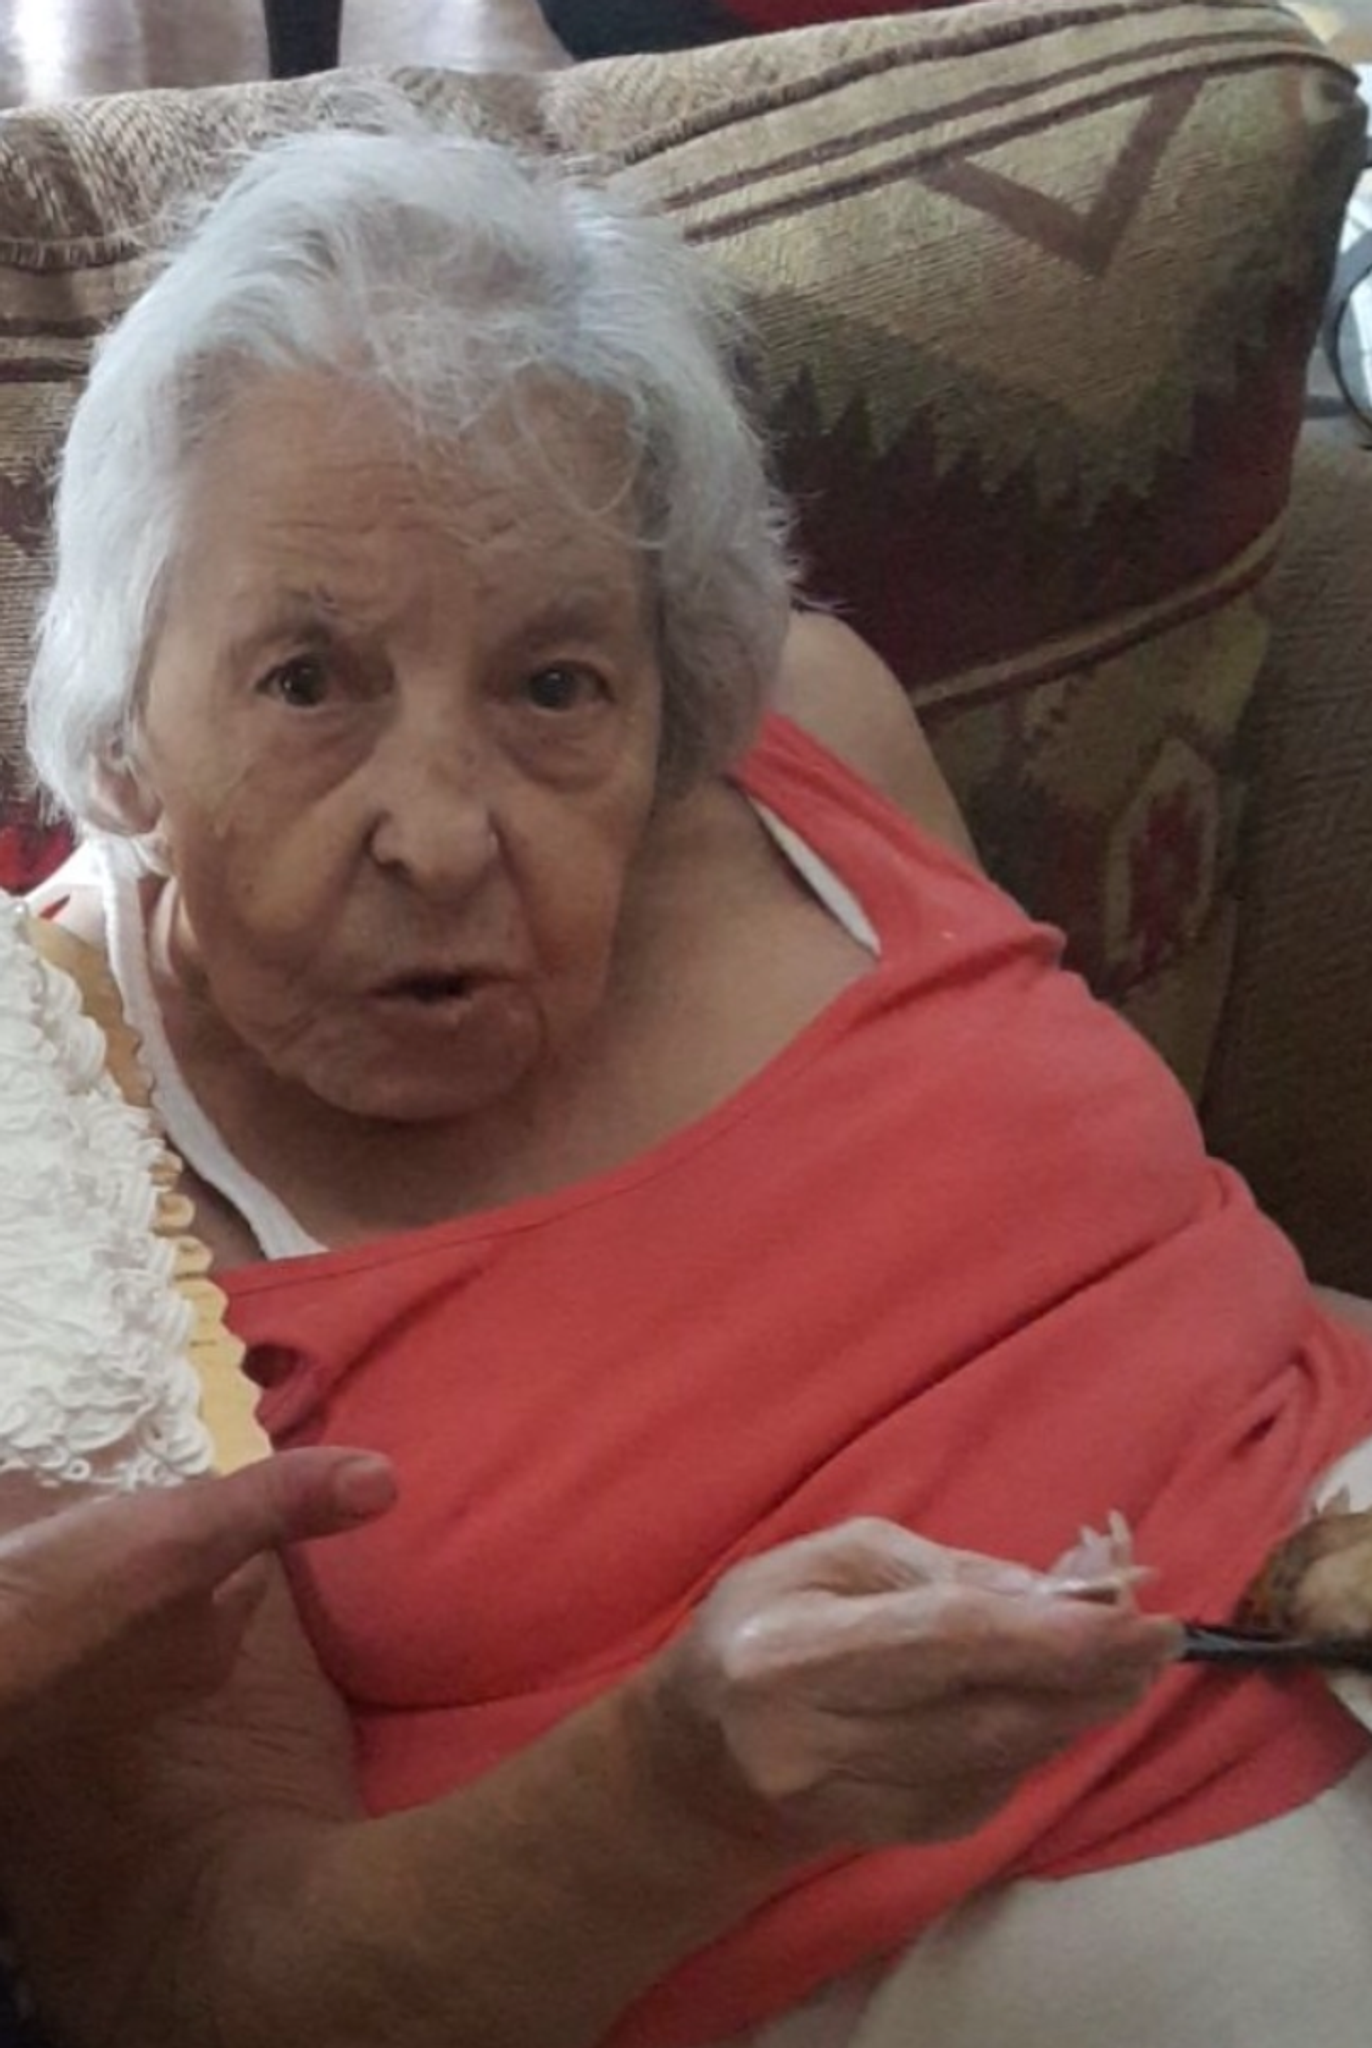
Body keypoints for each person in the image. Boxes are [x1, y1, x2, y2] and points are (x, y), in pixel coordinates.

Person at [5, 122, 1372, 2048]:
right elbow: (182, 1974)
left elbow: (1140, 1259)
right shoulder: (41, 1126)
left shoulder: (807, 725)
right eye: (307, 679)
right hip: (969, 1940)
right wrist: (680, 1787)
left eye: (555, 684)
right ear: (120, 724)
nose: (439, 833)